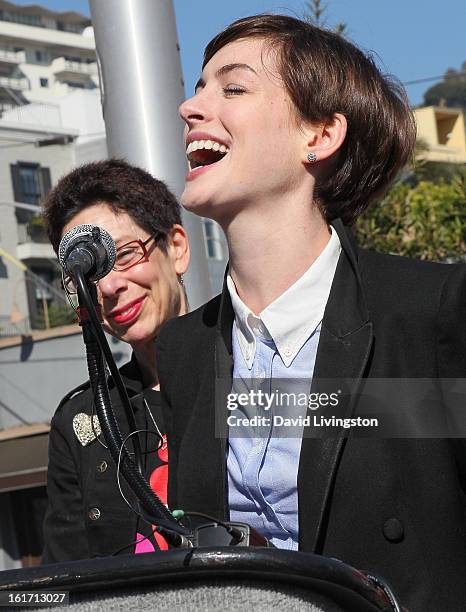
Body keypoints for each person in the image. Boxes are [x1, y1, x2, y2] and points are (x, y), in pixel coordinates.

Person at [155, 14, 466, 611]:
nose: (190, 107)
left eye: (233, 87)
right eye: (198, 87)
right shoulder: (186, 348)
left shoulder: (427, 314)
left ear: (319, 135)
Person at [41, 159, 190, 563]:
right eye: (86, 273)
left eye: (124, 254)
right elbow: (64, 581)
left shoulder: (254, 368)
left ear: (176, 248)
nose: (108, 286)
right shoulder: (80, 420)